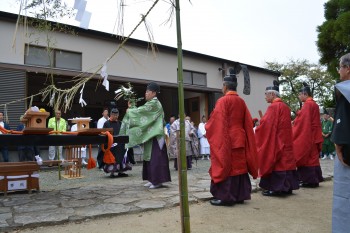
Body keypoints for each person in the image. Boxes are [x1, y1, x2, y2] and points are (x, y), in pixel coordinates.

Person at [205, 74, 258, 206]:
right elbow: (247, 121)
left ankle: (226, 197)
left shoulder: (223, 101)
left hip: (227, 138)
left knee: (227, 166)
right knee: (239, 167)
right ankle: (240, 195)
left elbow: (218, 121)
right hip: (240, 138)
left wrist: (208, 126)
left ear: (225, 86)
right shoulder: (241, 101)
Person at [120, 82, 171, 189]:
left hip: (156, 135)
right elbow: (141, 112)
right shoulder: (152, 103)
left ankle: (157, 180)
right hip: (151, 134)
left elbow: (141, 112)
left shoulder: (154, 103)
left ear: (153, 93)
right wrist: (132, 107)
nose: (145, 93)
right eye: (146, 91)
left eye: (147, 92)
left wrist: (130, 111)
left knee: (156, 157)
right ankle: (152, 179)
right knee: (149, 157)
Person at [255, 81, 299, 196]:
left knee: (277, 163)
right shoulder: (285, 107)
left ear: (273, 95)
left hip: (277, 141)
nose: (265, 97)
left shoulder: (273, 107)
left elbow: (268, 125)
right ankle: (288, 187)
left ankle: (276, 188)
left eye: (266, 94)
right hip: (286, 141)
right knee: (287, 163)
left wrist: (260, 124)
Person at [331, 53, 350, 233]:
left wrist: (338, 143)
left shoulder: (345, 90)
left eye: (340, 67)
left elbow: (342, 120)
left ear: (348, 69)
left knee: (345, 194)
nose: (339, 71)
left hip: (348, 150)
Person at [293, 82, 324, 187]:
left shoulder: (308, 104)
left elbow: (303, 121)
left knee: (307, 158)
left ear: (305, 94)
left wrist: (295, 123)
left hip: (309, 134)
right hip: (315, 134)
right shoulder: (314, 104)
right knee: (313, 157)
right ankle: (315, 179)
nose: (299, 96)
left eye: (300, 94)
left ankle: (309, 181)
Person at [100, 108, 134, 177]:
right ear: (111, 115)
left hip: (120, 144)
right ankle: (112, 172)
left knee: (124, 149)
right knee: (114, 152)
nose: (115, 116)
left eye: (116, 115)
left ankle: (121, 171)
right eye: (114, 115)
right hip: (111, 144)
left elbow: (124, 132)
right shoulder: (106, 123)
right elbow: (103, 133)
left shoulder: (120, 123)